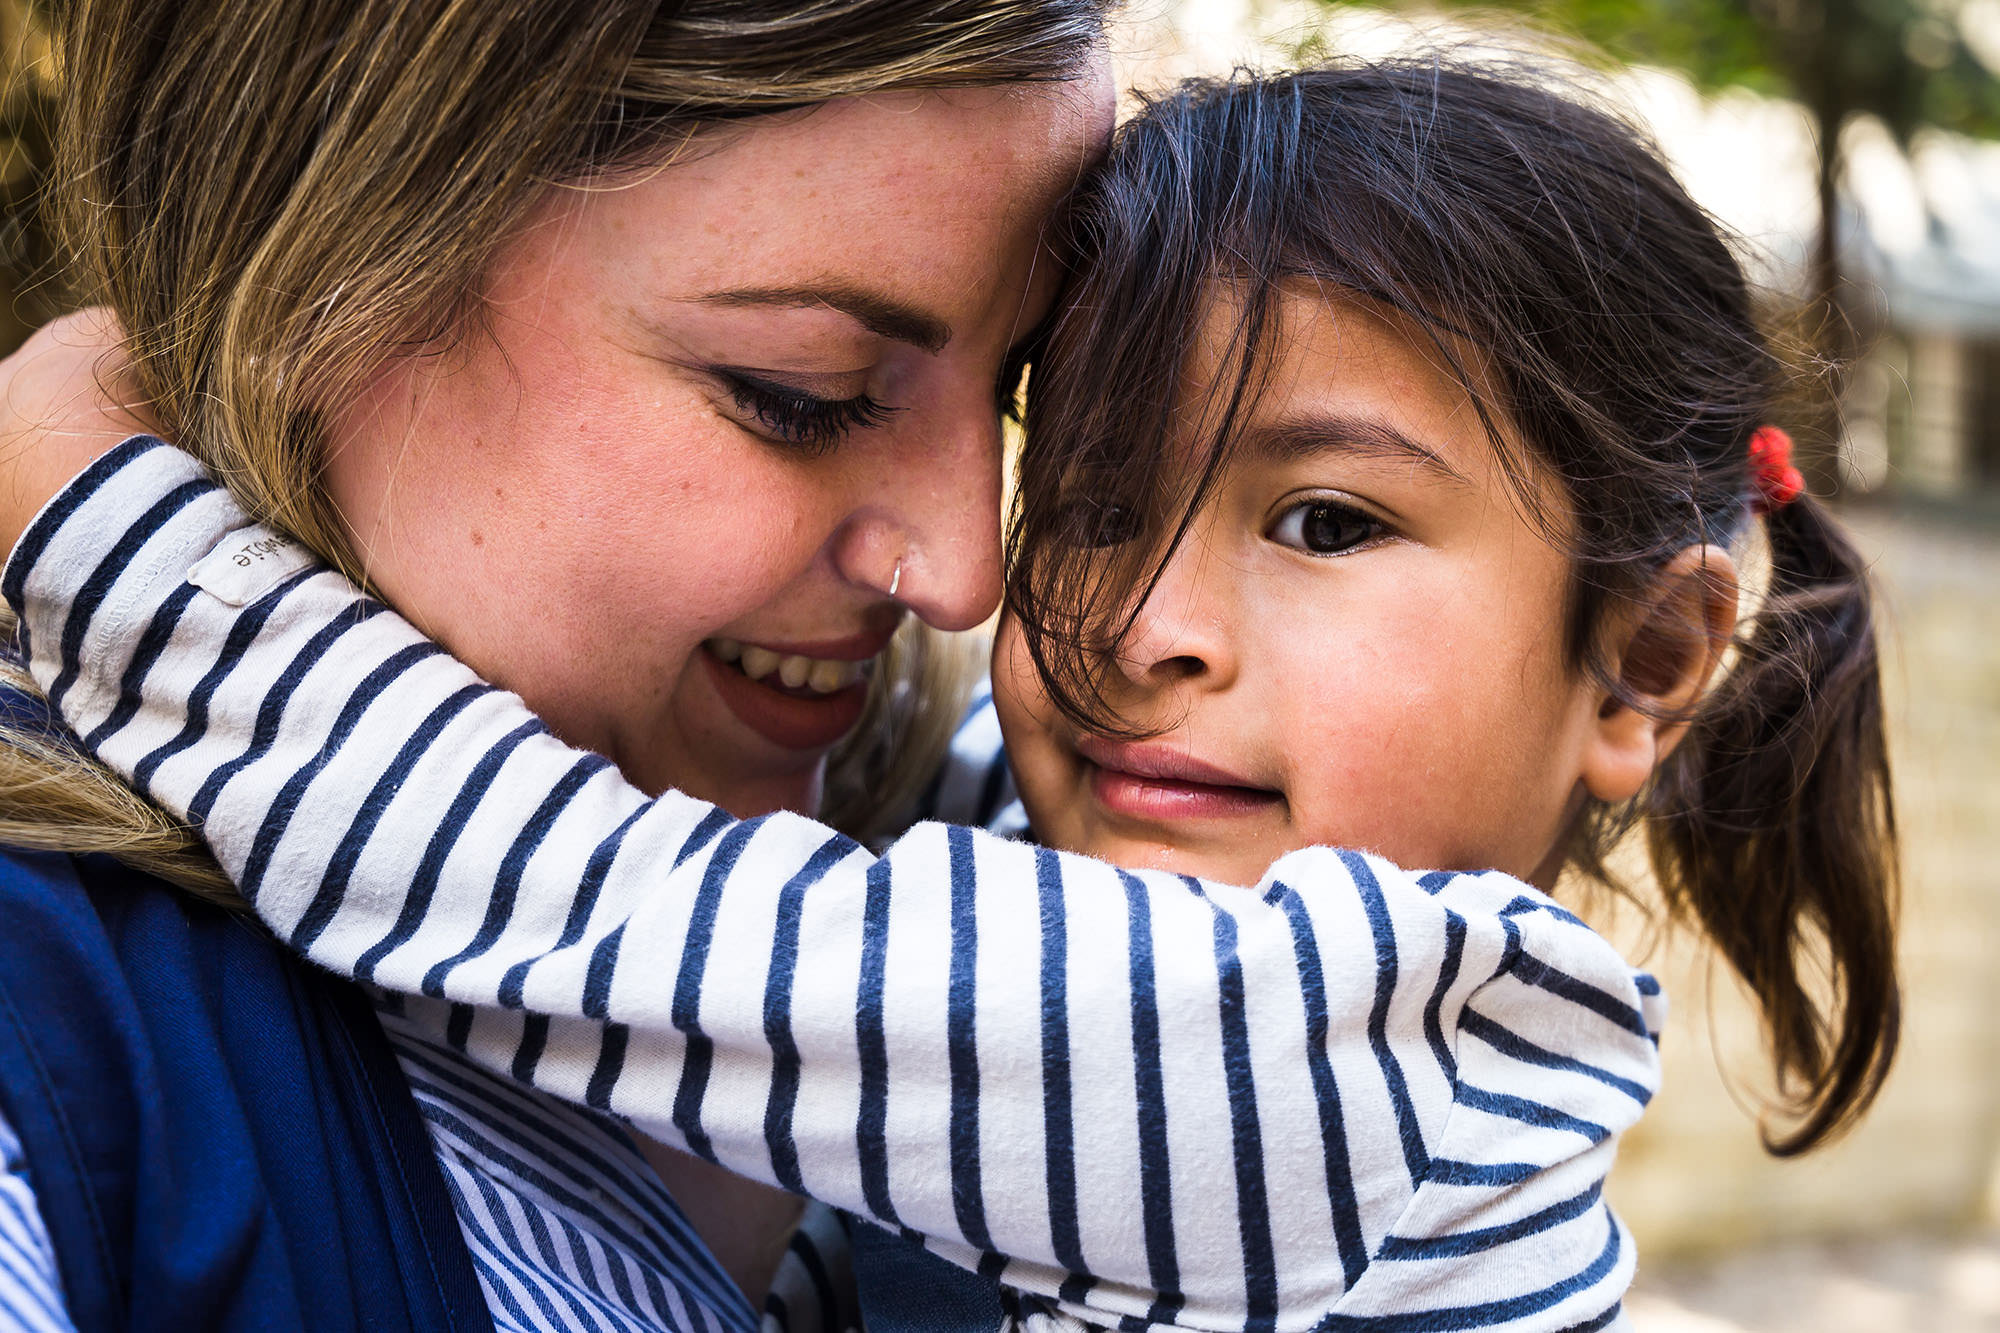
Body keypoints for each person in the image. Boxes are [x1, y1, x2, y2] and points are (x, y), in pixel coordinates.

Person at [0, 56, 1900, 1333]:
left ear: (1643, 660)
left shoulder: (1364, 1063)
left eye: (1322, 520)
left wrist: (92, 510)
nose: (1132, 619)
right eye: (1079, 496)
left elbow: (566, 903)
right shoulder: (1057, 892)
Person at [0, 0, 1123, 1328]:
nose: (960, 573)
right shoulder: (58, 1030)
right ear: (323, 274)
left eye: (1013, 395)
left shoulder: (1005, 823)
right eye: (800, 392)